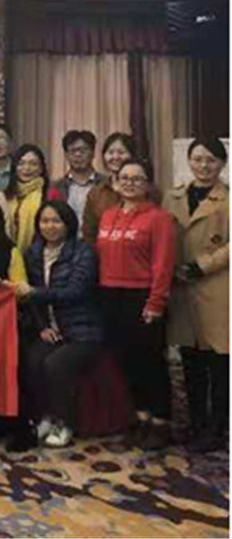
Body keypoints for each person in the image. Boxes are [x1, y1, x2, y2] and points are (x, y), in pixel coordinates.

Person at [8, 201, 104, 450]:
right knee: (31, 359)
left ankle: (64, 422)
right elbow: (32, 301)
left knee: (55, 364)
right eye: (44, 221)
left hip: (82, 330)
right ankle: (45, 417)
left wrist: (34, 292)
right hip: (52, 329)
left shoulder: (83, 252)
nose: (49, 226)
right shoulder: (33, 253)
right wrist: (42, 326)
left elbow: (76, 291)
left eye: (56, 221)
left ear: (68, 224)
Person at [96, 159, 176, 450]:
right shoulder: (108, 215)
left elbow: (163, 264)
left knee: (150, 361)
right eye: (124, 178)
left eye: (137, 178)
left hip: (142, 296)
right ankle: (140, 418)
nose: (129, 183)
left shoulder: (159, 218)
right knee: (125, 361)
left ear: (148, 184)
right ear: (116, 183)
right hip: (110, 295)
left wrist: (156, 301)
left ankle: (161, 422)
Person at [163, 137, 229, 451]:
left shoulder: (228, 198)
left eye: (211, 160)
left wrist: (202, 266)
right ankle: (196, 423)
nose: (204, 166)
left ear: (222, 164)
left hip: (217, 287)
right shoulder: (173, 196)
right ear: (189, 161)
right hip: (181, 288)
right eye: (198, 159)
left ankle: (217, 429)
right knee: (190, 361)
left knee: (219, 363)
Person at [82, 132, 140, 246]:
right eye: (110, 152)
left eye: (121, 152)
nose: (115, 157)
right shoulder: (96, 193)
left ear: (132, 155)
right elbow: (89, 234)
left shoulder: (144, 189)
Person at [49, 130, 104, 228]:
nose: (78, 154)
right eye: (72, 151)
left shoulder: (106, 184)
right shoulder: (55, 186)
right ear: (66, 155)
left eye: (83, 150)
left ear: (93, 153)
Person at [6, 144, 49, 254]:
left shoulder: (49, 194)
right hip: (7, 254)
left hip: (38, 255)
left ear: (41, 168)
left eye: (33, 164)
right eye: (21, 163)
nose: (27, 168)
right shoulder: (6, 195)